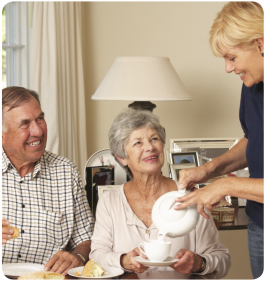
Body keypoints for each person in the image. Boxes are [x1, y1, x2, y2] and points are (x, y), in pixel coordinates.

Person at [174, 2, 263, 279]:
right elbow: (254, 140)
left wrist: (226, 184)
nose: (227, 68)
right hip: (259, 224)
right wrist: (208, 171)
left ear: (260, 44)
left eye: (232, 58)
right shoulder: (252, 86)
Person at [90, 108, 231, 279]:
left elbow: (222, 260)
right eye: (138, 143)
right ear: (121, 157)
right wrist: (123, 260)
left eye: (154, 139)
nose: (150, 147)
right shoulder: (110, 201)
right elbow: (97, 255)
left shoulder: (190, 197)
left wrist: (199, 263)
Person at [2, 86, 95, 275]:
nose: (37, 131)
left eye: (40, 119)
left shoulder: (66, 172)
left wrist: (77, 257)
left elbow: (87, 238)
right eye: (25, 123)